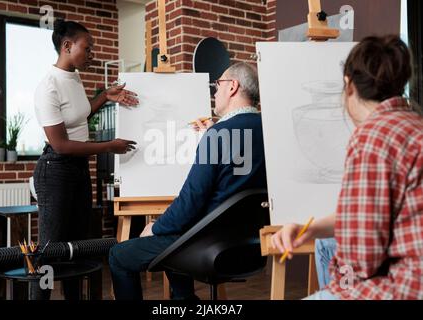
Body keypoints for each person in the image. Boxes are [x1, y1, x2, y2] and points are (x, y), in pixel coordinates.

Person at [271, 35, 423, 300]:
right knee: (325, 243)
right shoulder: (412, 124)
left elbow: (360, 259)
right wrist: (308, 229)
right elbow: (371, 215)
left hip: (405, 287)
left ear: (349, 85)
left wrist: (340, 287)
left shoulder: (373, 136)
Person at [109, 62, 267, 300]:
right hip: (251, 246)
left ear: (233, 87)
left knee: (118, 256)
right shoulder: (268, 130)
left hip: (208, 244)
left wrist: (156, 226)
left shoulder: (218, 135)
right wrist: (213, 136)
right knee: (177, 237)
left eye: (218, 84)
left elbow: (192, 199)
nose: (215, 91)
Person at [33, 19, 138, 299]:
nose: (92, 54)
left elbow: (79, 114)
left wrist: (105, 96)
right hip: (55, 169)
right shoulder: (48, 87)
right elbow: (61, 144)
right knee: (50, 251)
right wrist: (107, 147)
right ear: (67, 46)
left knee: (76, 249)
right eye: (87, 48)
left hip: (79, 169)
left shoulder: (74, 77)